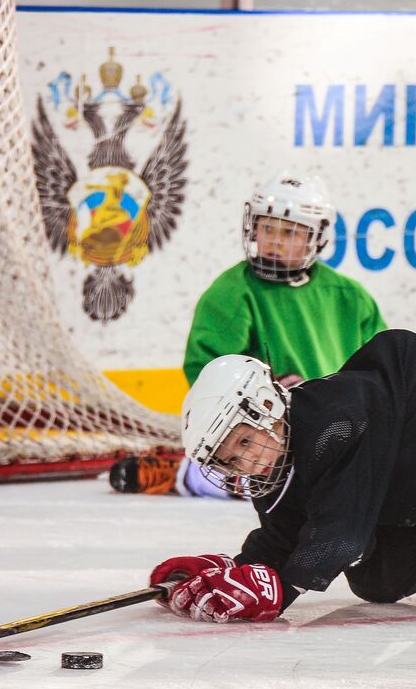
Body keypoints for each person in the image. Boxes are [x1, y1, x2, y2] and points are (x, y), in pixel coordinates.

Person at [147, 330, 416, 621]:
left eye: (245, 444)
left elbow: (340, 536)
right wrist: (234, 570)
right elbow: (286, 536)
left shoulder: (332, 425)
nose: (244, 465)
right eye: (229, 461)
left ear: (266, 406)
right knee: (380, 580)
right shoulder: (275, 459)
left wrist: (276, 592)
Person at [110, 171, 385, 497]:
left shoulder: (350, 296)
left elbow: (380, 369)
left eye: (291, 232)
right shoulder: (230, 292)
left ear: (317, 237)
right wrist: (262, 397)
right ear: (251, 226)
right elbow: (206, 374)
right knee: (276, 482)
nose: (275, 241)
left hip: (339, 430)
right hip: (263, 435)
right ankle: (183, 475)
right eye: (267, 227)